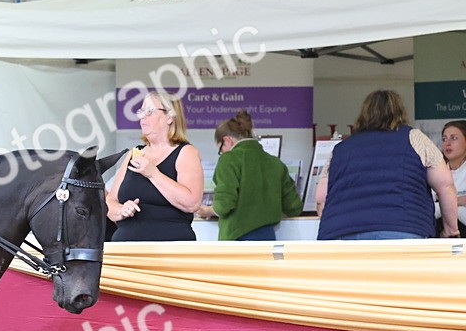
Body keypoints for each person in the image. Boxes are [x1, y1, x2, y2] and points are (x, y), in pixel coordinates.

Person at [317, 90, 459, 239]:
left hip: (341, 234)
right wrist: (451, 230)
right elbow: (446, 186)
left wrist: (335, 225)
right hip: (403, 229)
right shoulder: (415, 138)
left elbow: (321, 198)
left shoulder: (340, 149)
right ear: (399, 112)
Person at [106, 90, 203, 241]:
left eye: (150, 111)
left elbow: (192, 203)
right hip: (126, 250)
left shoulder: (186, 152)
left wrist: (153, 174)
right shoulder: (134, 154)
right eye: (141, 111)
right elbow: (110, 202)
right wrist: (122, 210)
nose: (142, 116)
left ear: (170, 117)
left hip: (169, 248)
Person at [197, 110, 303, 240]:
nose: (222, 154)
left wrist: (208, 210)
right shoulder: (275, 163)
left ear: (227, 140)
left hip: (237, 237)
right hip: (268, 237)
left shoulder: (229, 159)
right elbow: (294, 207)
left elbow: (224, 204)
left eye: (221, 149)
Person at [435, 120, 466, 234]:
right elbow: (429, 210)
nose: (447, 143)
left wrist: (444, 203)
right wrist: (459, 201)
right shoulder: (436, 171)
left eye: (454, 138)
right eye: (444, 139)